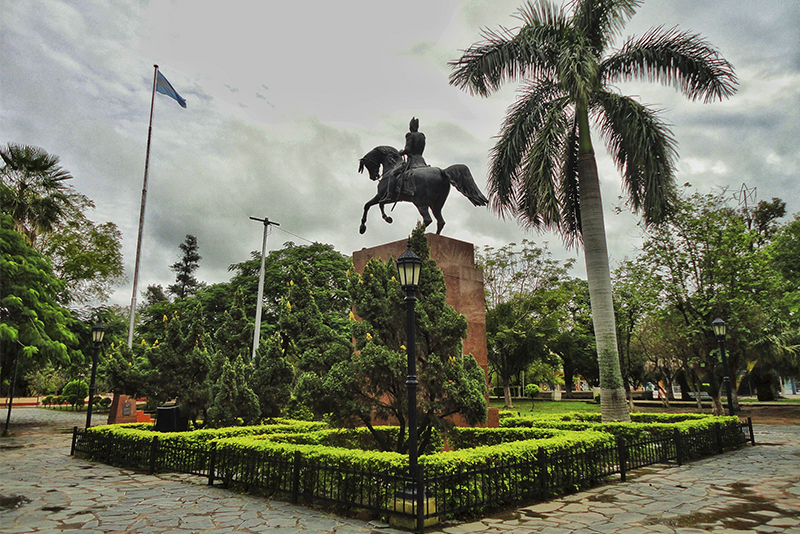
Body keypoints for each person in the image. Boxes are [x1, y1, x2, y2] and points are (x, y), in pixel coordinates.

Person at [385, 117, 427, 202]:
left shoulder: (410, 135)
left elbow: (408, 150)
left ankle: (389, 195)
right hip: (421, 160)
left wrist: (400, 153)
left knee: (392, 174)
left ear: (411, 127)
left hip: (412, 161)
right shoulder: (422, 136)